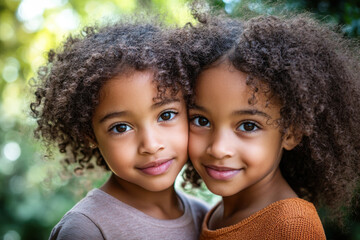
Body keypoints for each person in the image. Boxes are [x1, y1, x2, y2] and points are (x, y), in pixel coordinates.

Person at [182, 13, 360, 239]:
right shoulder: (219, 213)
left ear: (291, 133)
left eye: (248, 126)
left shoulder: (291, 226)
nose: (218, 148)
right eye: (201, 120)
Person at [30, 17, 209, 240]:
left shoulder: (205, 218)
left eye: (166, 115)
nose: (151, 145)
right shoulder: (86, 229)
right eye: (121, 127)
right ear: (90, 135)